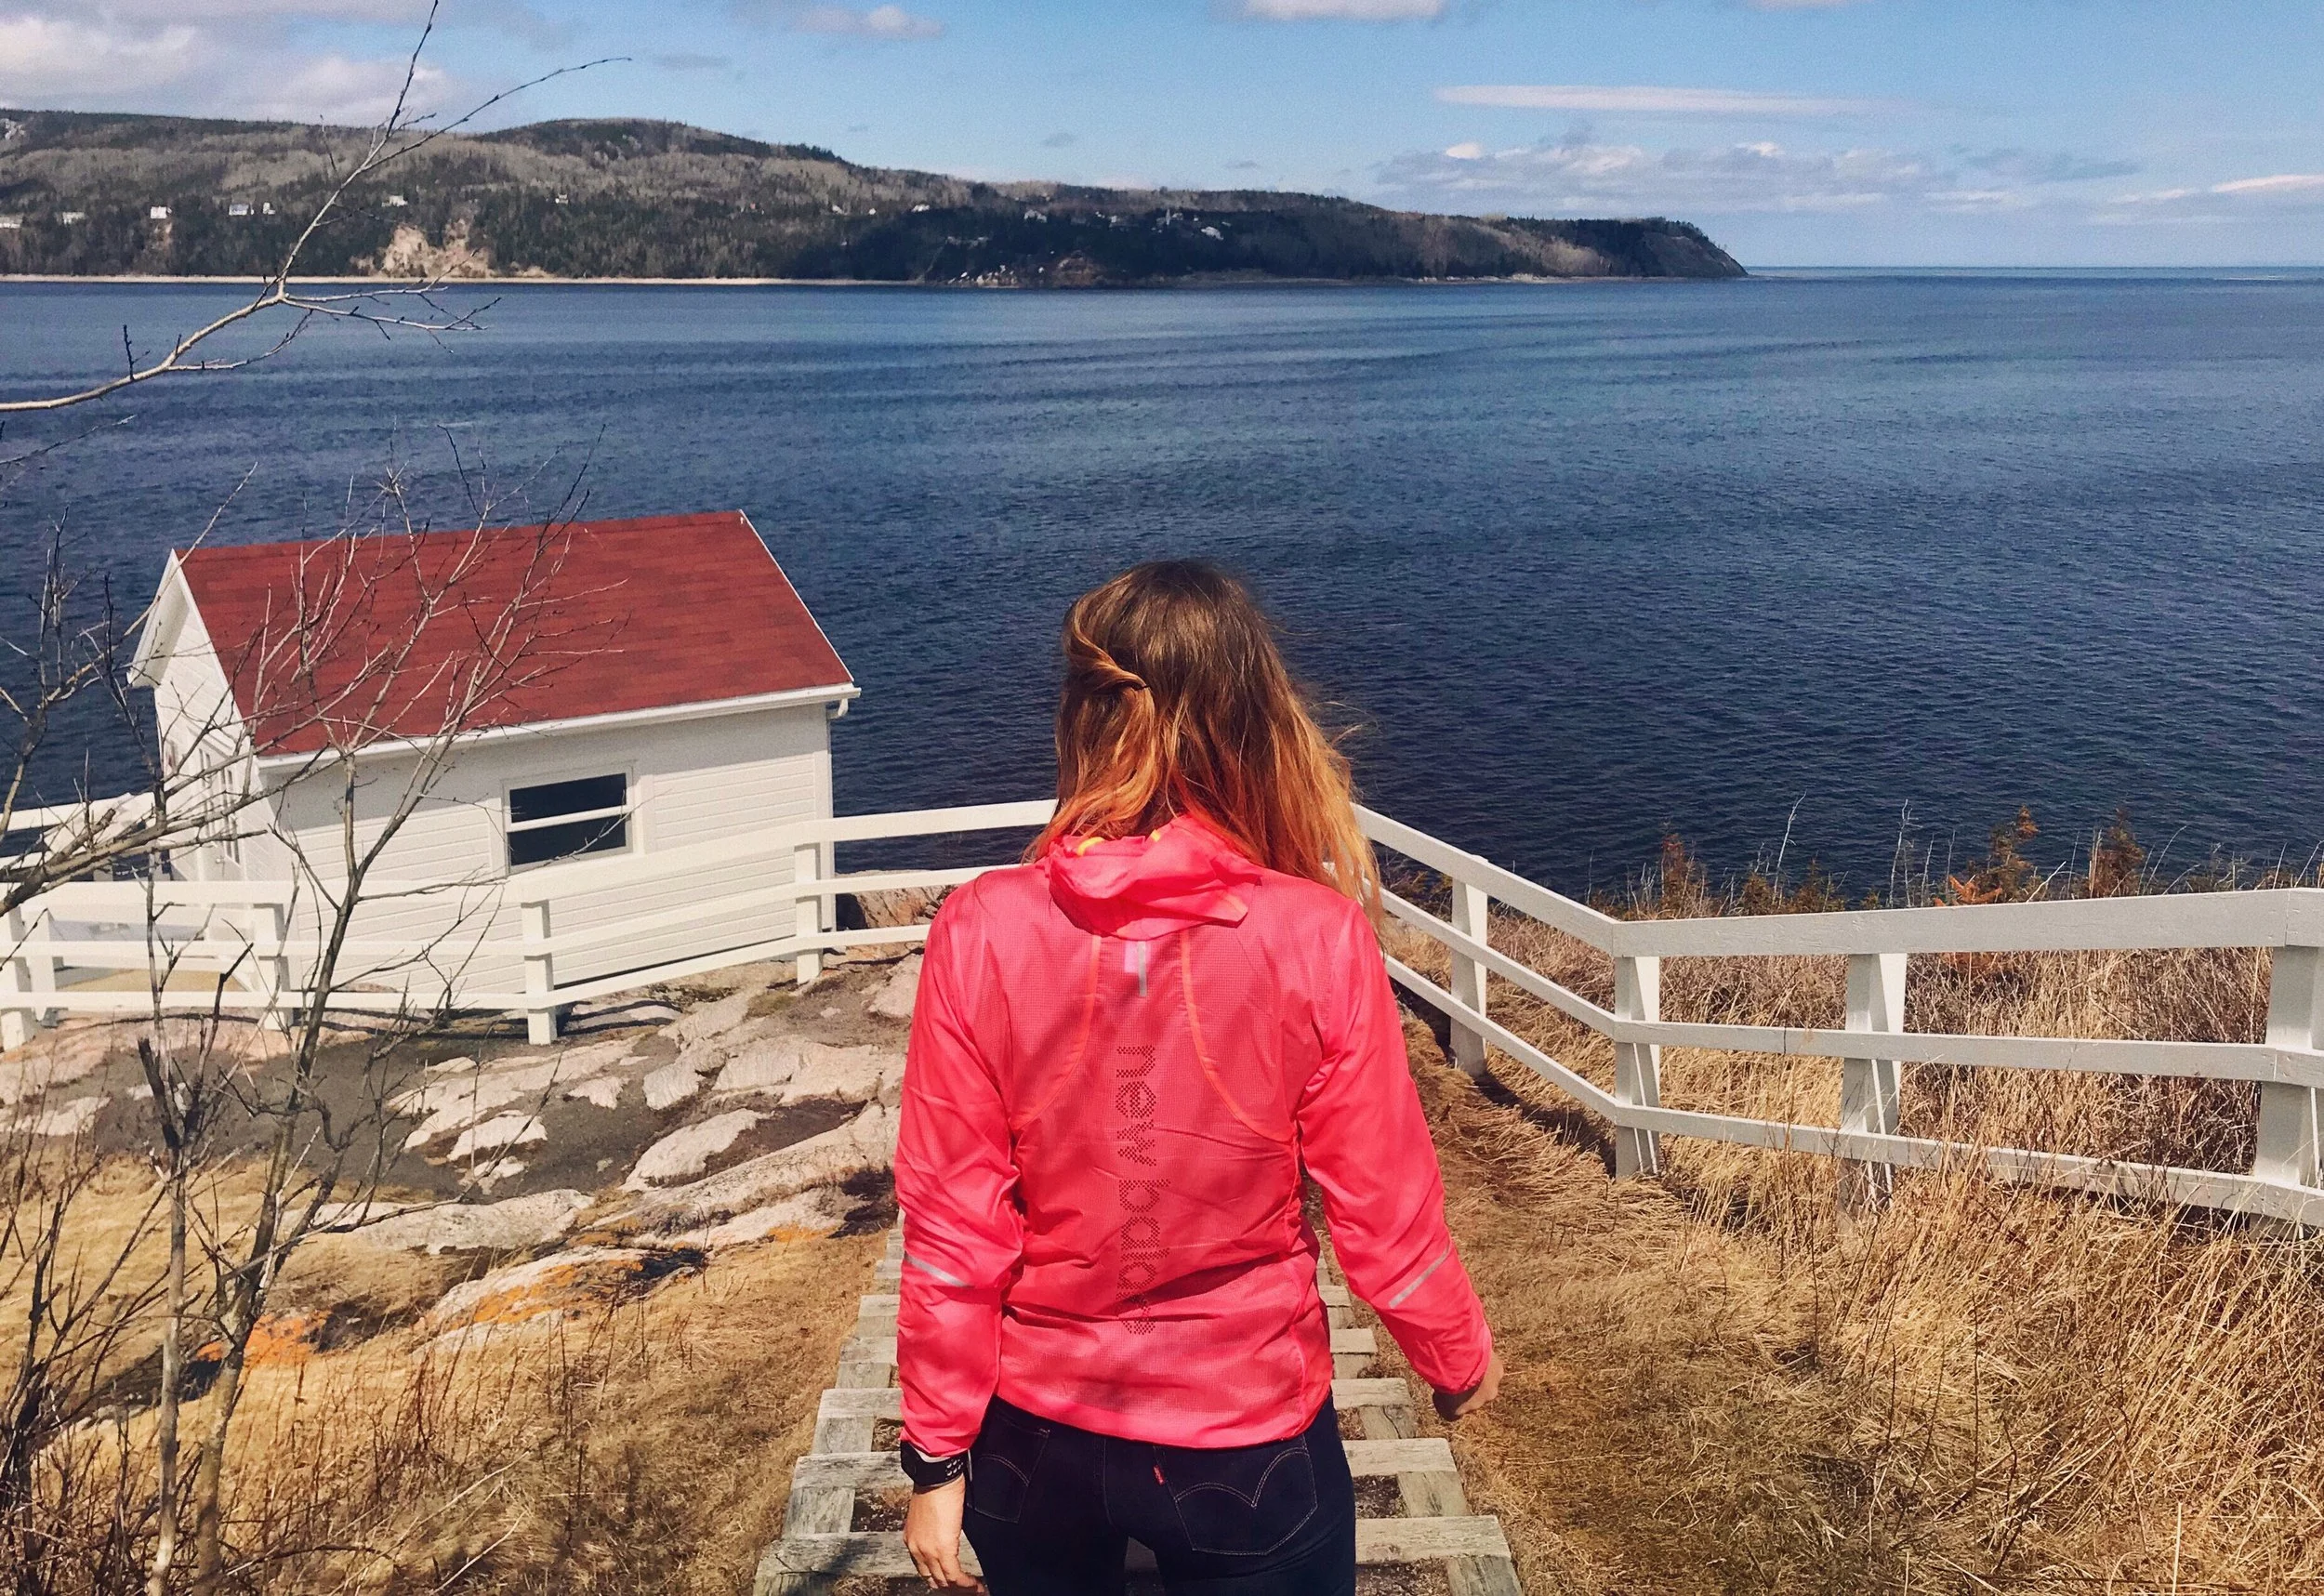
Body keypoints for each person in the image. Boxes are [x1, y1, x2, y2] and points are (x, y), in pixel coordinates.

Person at [894, 561, 1502, 1595]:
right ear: (1250, 719)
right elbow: (1381, 1208)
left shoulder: (980, 926)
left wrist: (935, 1454)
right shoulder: (1313, 935)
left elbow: (953, 1221)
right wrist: (1455, 1357)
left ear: (1084, 718)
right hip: (1248, 1444)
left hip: (1030, 1440)